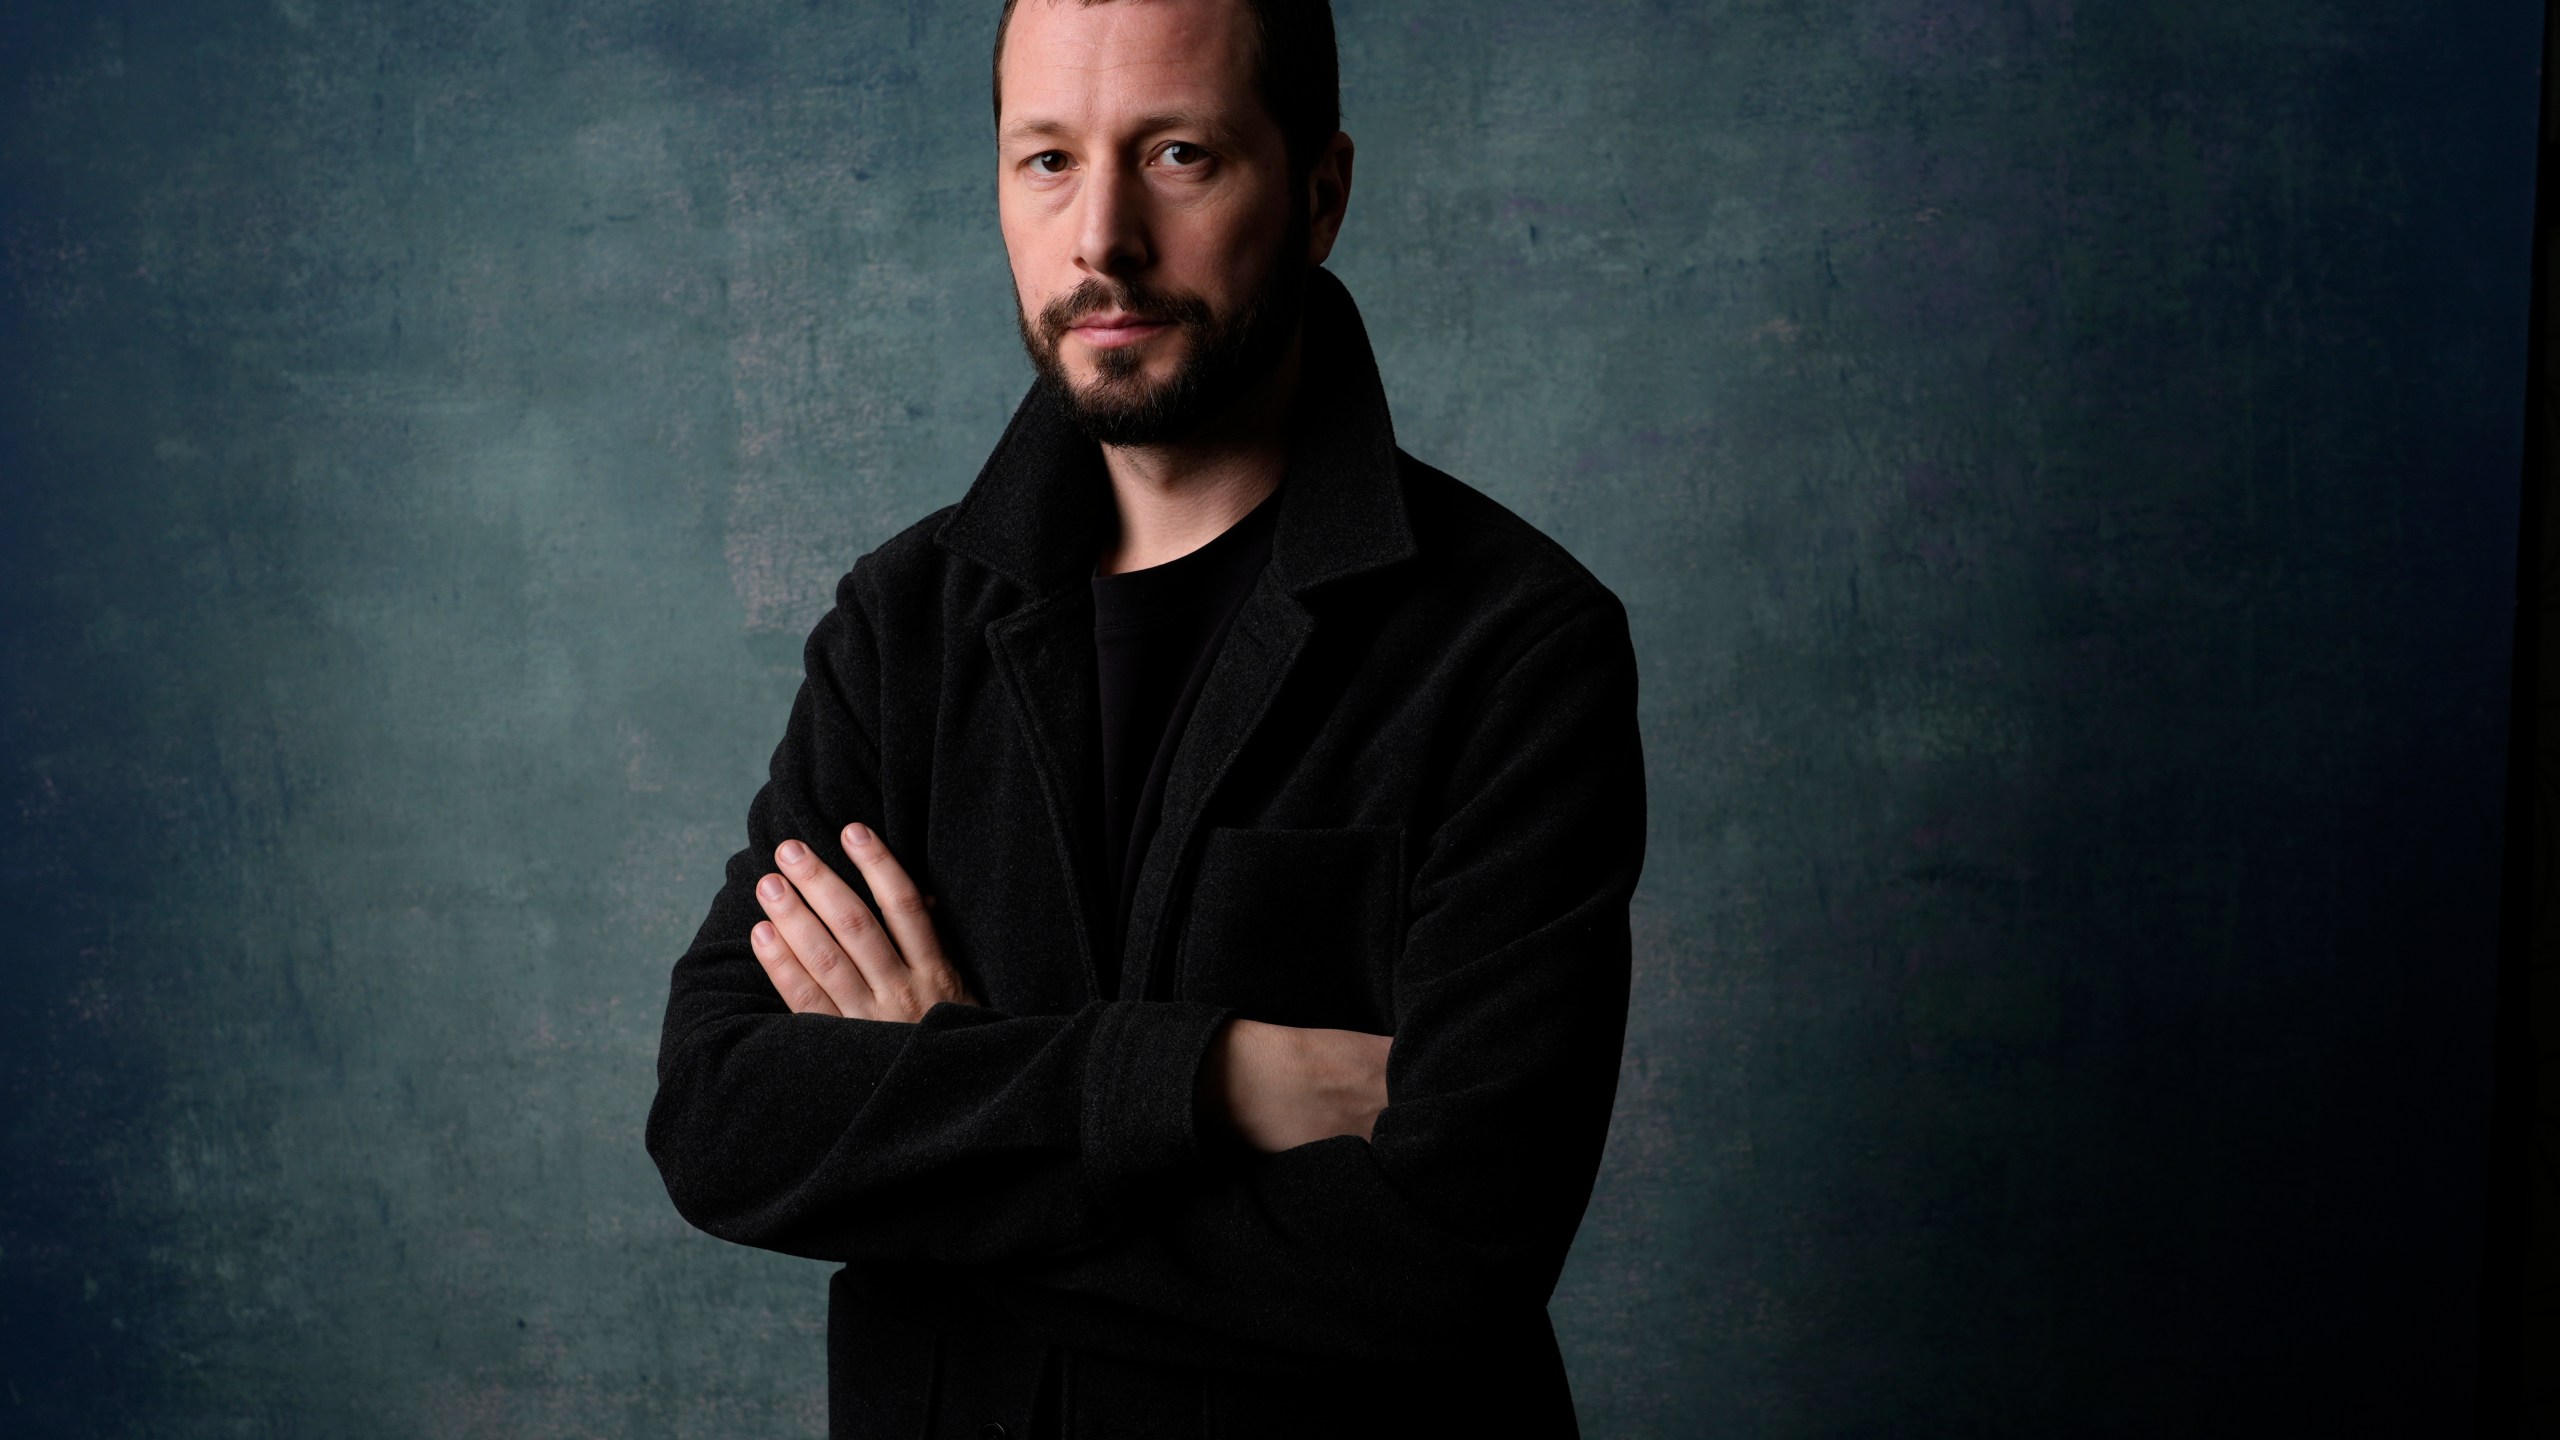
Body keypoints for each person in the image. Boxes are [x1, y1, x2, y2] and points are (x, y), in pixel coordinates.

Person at [643, 1, 1648, 1435]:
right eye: (1046, 161)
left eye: (1177, 154)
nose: (1101, 236)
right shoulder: (900, 625)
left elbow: (1449, 1255)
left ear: (1318, 194)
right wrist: (1213, 1079)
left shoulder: (1515, 645)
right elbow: (723, 1119)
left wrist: (938, 1106)